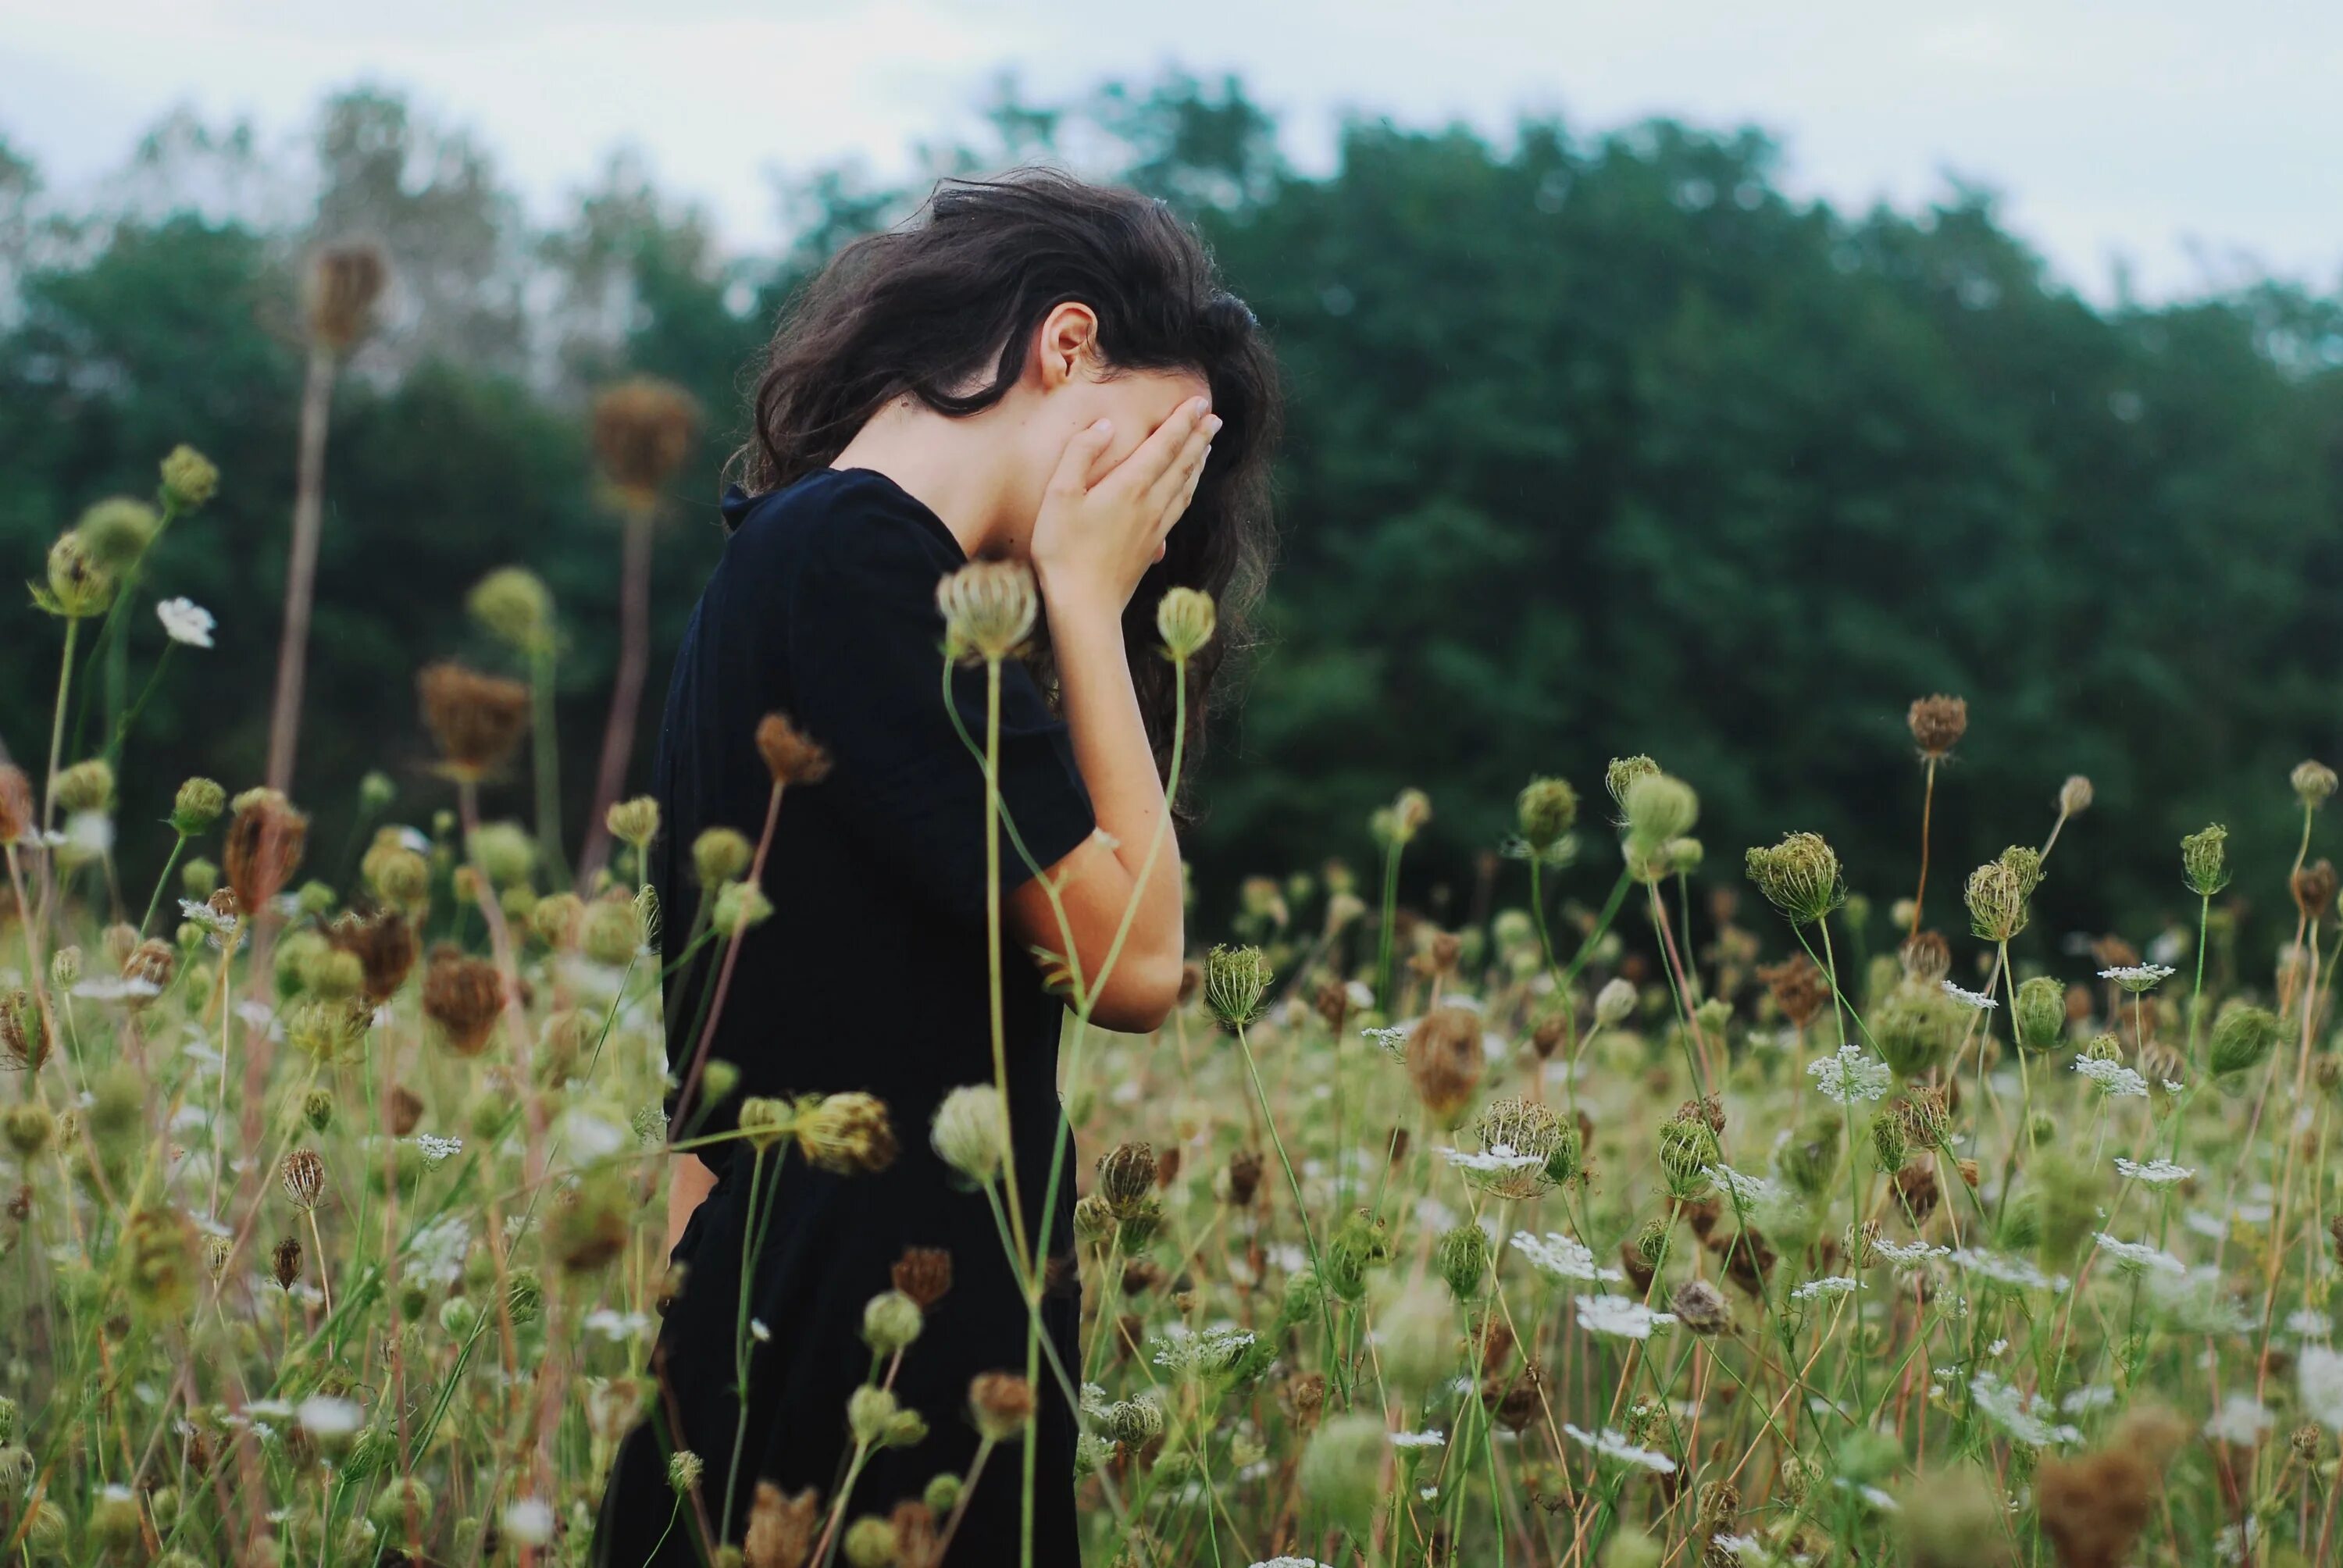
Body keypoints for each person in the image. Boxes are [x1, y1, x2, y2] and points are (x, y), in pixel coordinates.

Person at [594, 167, 1280, 1566]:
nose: (1157, 506)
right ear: (1067, 344)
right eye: (1157, 445)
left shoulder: (792, 556)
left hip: (793, 1282)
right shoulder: (864, 563)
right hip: (892, 1295)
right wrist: (1088, 601)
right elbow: (1140, 968)